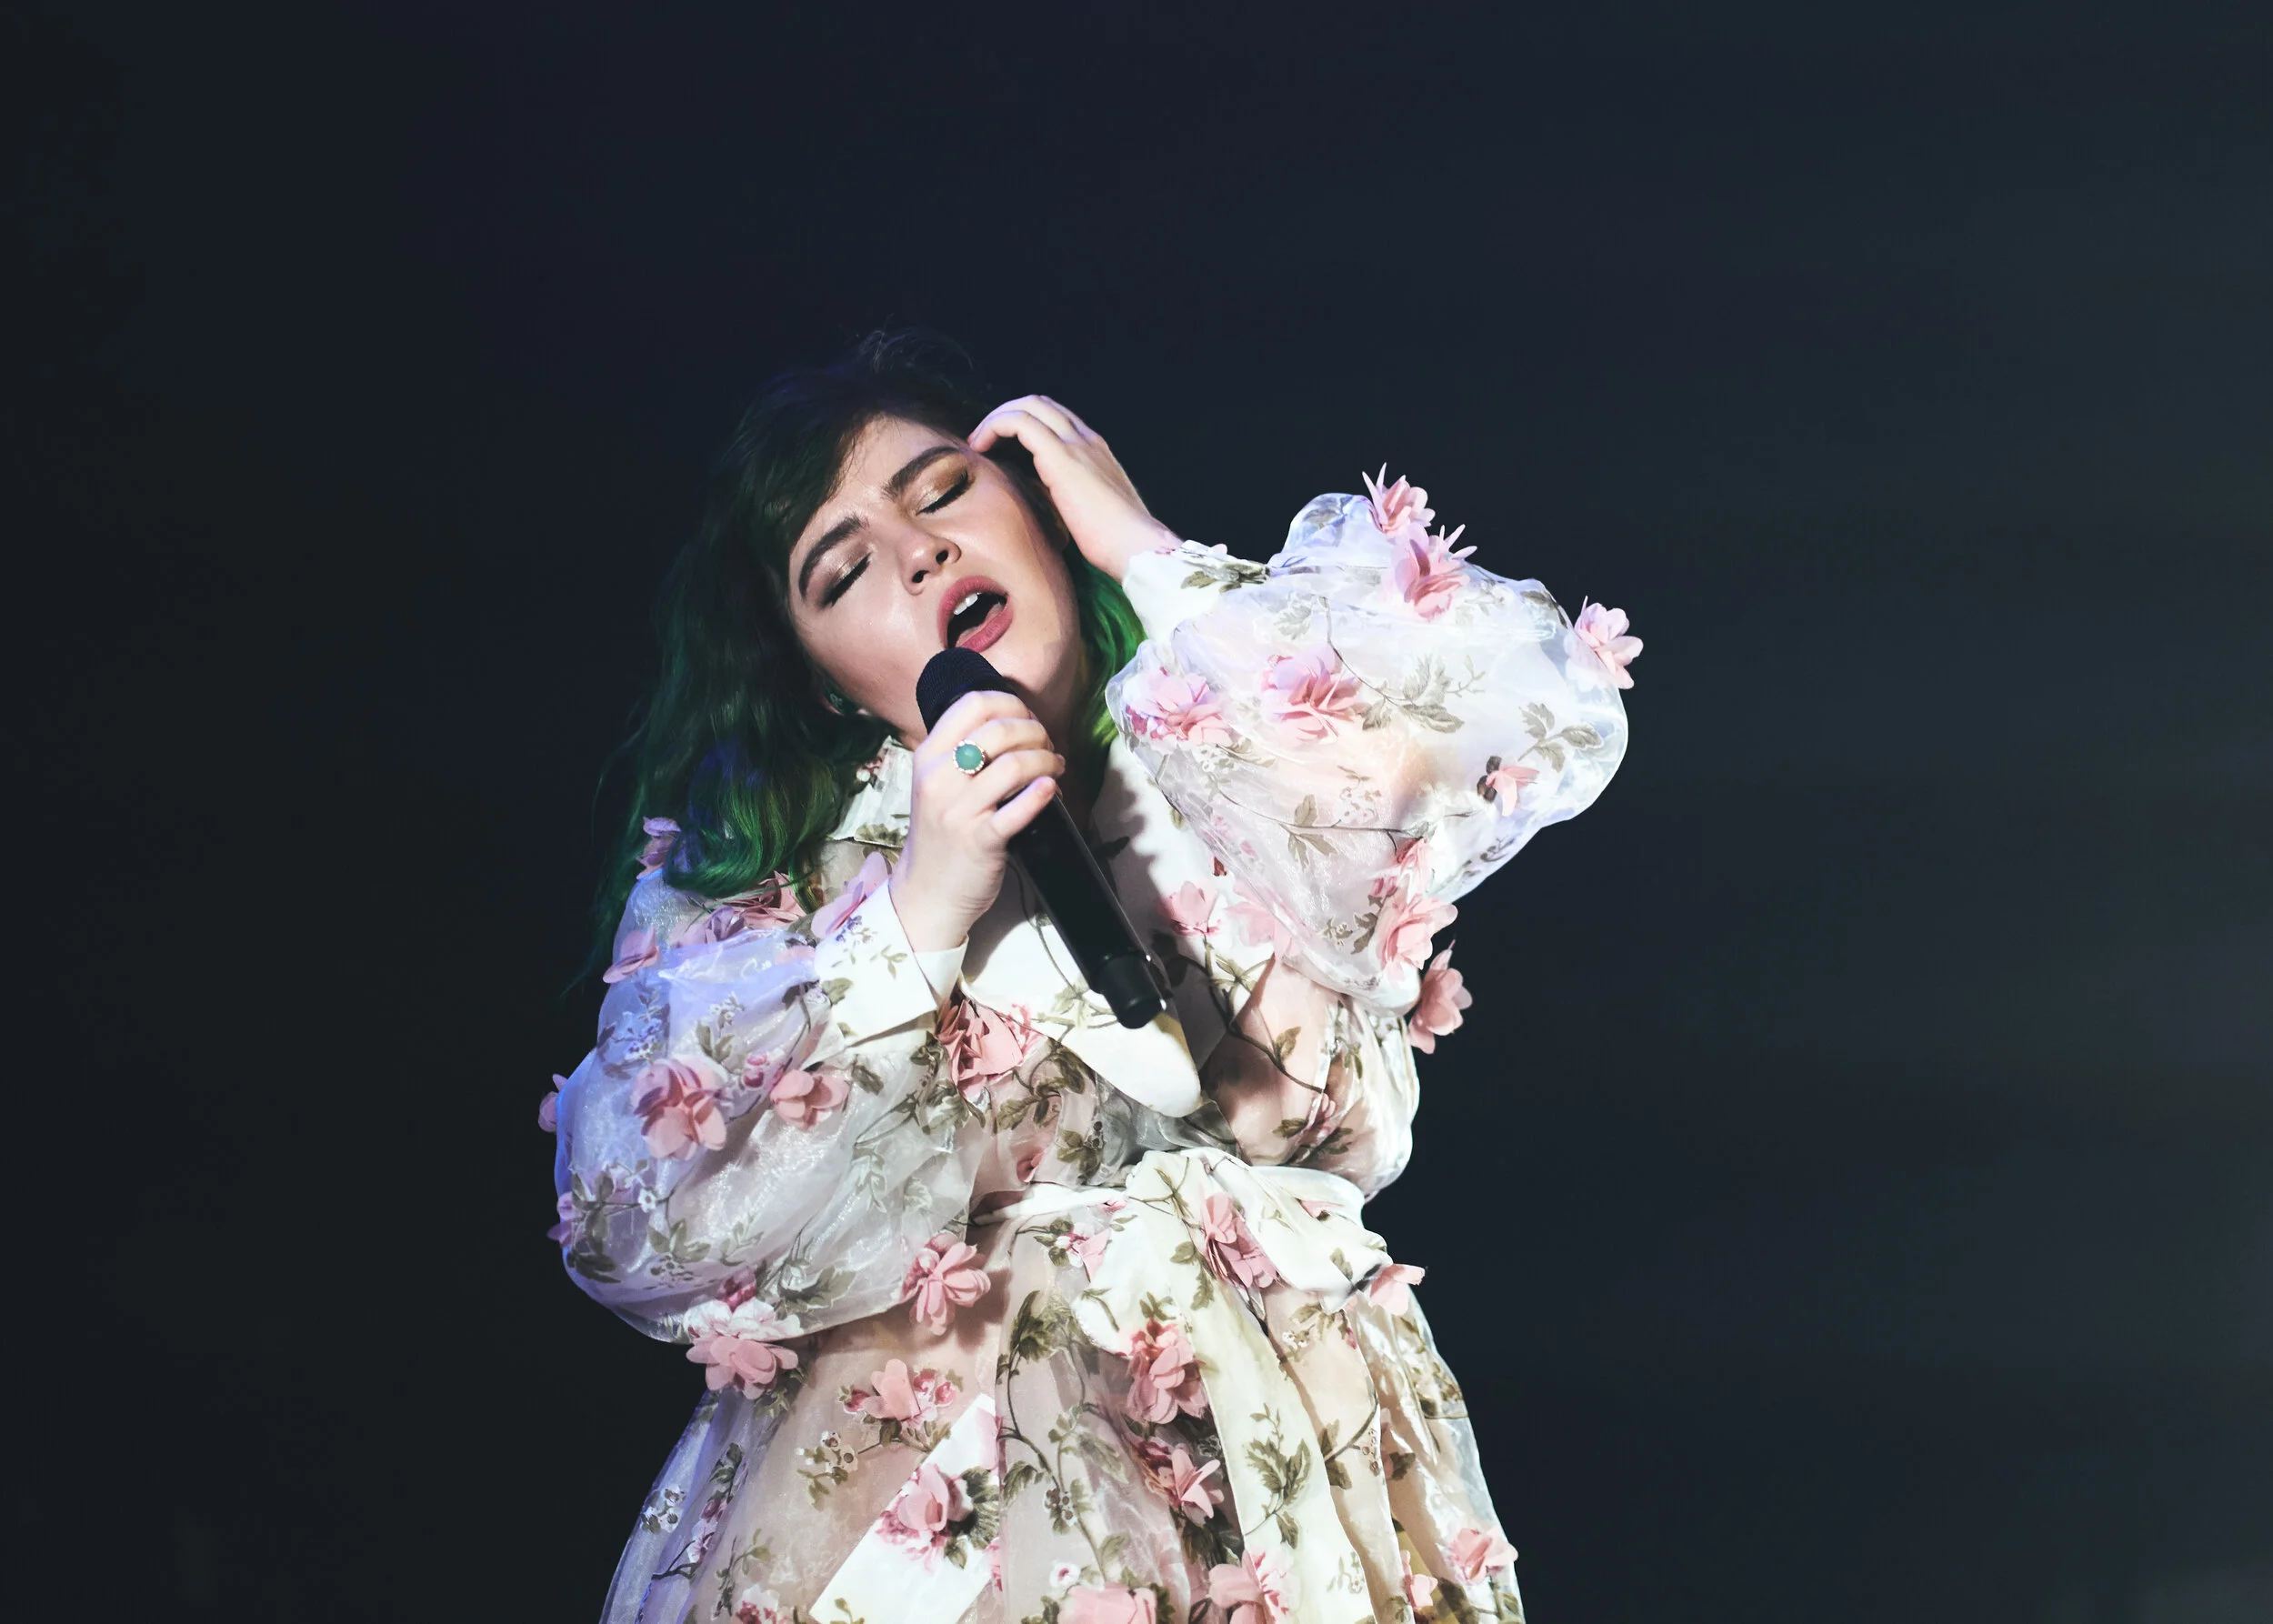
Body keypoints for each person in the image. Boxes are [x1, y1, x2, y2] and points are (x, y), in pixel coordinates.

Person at [544, 335, 1639, 1624]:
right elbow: (636, 1218)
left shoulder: (1238, 740)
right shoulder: (782, 880)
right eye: (844, 571)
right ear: (827, 686)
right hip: (980, 1521)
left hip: (1309, 1498)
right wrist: (919, 916)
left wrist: (1147, 551)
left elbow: (1527, 708)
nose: (918, 553)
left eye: (944, 492)